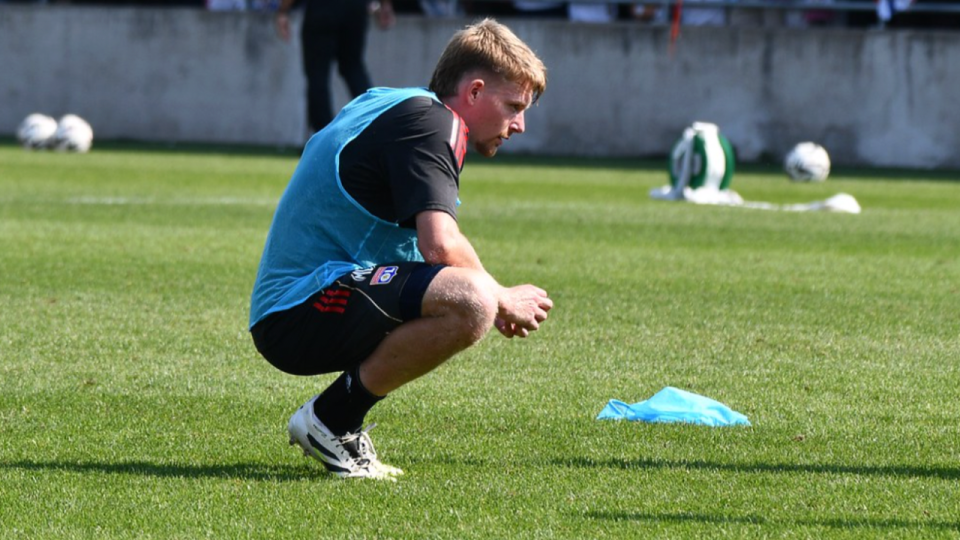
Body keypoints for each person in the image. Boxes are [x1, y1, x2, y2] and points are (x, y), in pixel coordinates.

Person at [250, 18, 553, 480]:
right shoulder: (435, 125)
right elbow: (439, 245)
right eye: (513, 106)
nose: (520, 125)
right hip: (300, 309)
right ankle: (331, 420)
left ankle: (335, 420)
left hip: (292, 308)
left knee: (469, 293)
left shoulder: (402, 105)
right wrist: (500, 297)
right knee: (471, 300)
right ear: (474, 92)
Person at [274, 0, 396, 134]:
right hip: (354, 9)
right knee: (353, 69)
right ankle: (374, 124)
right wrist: (385, 5)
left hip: (322, 9)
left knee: (318, 75)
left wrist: (283, 11)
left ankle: (325, 134)